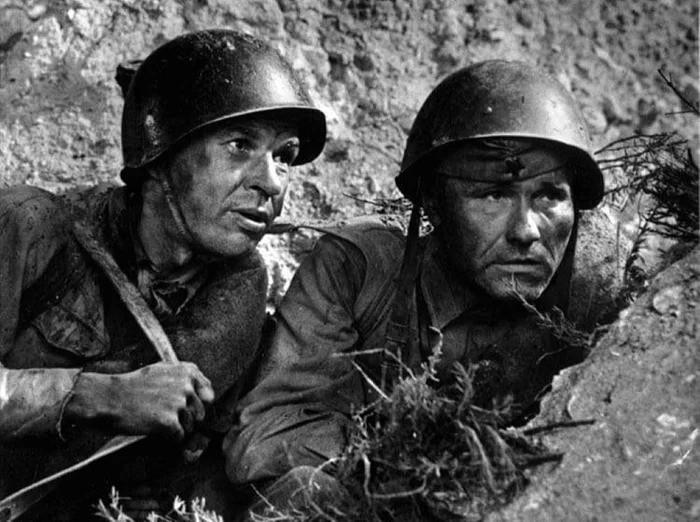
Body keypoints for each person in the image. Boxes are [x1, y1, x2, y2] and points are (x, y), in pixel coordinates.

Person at [223, 59, 605, 518]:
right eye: (494, 195)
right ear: (433, 203)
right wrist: (410, 464)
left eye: (549, 196)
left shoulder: (599, 295)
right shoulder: (360, 269)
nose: (526, 231)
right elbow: (265, 439)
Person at [0, 29, 326, 520]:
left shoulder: (238, 290)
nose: (272, 182)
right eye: (240, 145)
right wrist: (100, 394)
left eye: (284, 156)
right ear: (159, 157)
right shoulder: (28, 226)